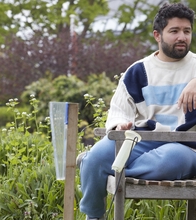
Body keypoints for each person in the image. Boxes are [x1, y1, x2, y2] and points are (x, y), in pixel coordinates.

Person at [79, 2, 196, 220]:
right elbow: (119, 110)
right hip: (142, 140)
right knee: (95, 157)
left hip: (184, 146)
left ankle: (115, 171)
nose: (182, 36)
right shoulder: (138, 71)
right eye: (174, 31)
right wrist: (119, 125)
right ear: (157, 35)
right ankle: (94, 216)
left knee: (170, 160)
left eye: (187, 31)